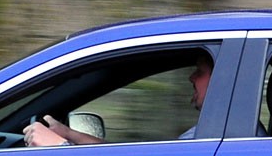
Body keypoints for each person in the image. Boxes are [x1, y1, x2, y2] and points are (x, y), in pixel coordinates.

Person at [27, 48, 214, 146]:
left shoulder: (216, 136)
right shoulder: (209, 132)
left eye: (199, 71)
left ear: (221, 76)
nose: (191, 77)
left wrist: (61, 147)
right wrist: (68, 134)